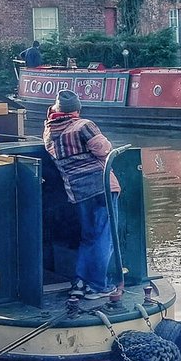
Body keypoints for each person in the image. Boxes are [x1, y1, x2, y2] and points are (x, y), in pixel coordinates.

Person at [43, 89, 121, 299]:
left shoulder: (49, 132)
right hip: (101, 187)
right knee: (104, 238)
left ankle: (80, 282)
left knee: (88, 237)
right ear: (76, 109)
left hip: (76, 192)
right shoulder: (84, 125)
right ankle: (97, 286)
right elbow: (104, 149)